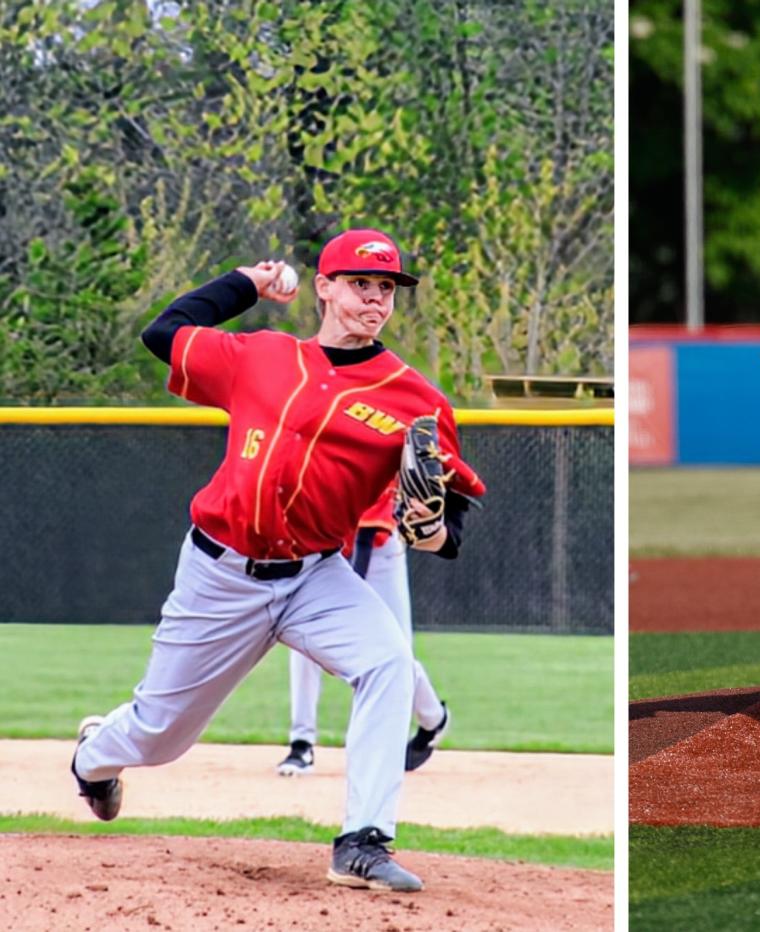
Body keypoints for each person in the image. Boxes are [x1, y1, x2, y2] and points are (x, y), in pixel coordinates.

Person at [70, 228, 486, 891]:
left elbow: (452, 525)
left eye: (385, 288)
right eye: (359, 284)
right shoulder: (259, 357)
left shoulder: (416, 400)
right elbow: (164, 333)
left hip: (316, 576)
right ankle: (93, 759)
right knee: (160, 738)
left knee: (388, 662)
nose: (374, 299)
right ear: (324, 287)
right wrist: (244, 283)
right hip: (220, 573)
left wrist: (430, 528)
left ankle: (363, 843)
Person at [276, 481, 452, 777]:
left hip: (380, 553)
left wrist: (344, 600)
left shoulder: (371, 446)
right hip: (324, 551)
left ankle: (433, 718)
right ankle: (301, 742)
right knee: (303, 642)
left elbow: (368, 534)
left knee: (397, 655)